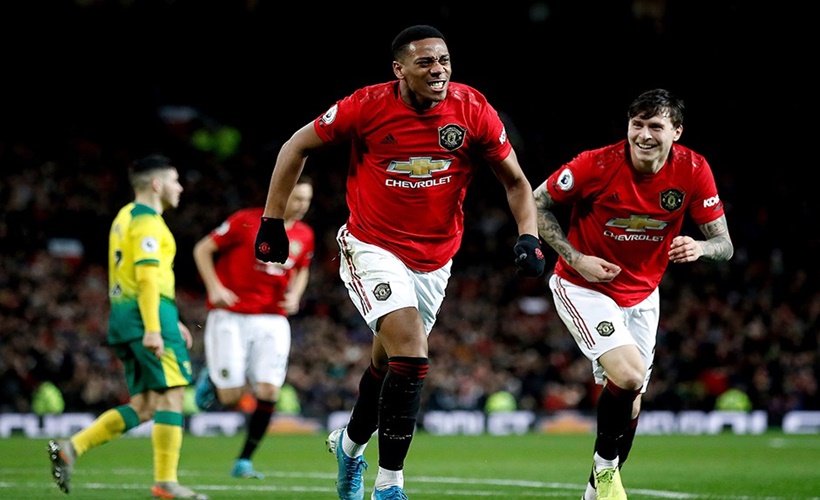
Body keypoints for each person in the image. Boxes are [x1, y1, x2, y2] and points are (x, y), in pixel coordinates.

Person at [253, 24, 545, 500]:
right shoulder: (366, 105)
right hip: (372, 245)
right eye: (425, 62)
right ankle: (389, 484)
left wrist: (528, 235)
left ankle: (349, 446)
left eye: (444, 60)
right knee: (411, 354)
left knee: (388, 364)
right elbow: (296, 146)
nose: (438, 70)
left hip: (436, 258)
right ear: (399, 69)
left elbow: (515, 181)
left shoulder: (473, 109)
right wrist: (272, 221)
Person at [532, 88, 734, 500]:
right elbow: (536, 202)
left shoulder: (693, 170)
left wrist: (700, 248)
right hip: (584, 286)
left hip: (643, 295)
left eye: (655, 126)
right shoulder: (595, 164)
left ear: (676, 131)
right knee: (628, 376)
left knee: (632, 401)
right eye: (637, 124)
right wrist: (576, 258)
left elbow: (724, 244)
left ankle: (594, 494)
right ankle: (607, 471)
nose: (643, 135)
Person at [47, 154, 208, 500]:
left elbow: (139, 277)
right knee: (173, 394)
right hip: (145, 316)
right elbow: (147, 277)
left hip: (125, 316)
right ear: (157, 184)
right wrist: (155, 326)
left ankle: (72, 448)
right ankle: (166, 482)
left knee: (146, 405)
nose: (180, 187)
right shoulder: (149, 223)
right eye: (175, 180)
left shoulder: (124, 217)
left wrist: (171, 317)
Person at [192, 176, 315, 479]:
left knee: (270, 389)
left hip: (273, 319)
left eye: (307, 200)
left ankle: (244, 460)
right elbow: (202, 249)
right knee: (231, 398)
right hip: (231, 314)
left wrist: (296, 294)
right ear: (282, 194)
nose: (303, 205)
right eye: (297, 198)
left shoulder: (304, 234)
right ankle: (214, 378)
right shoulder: (246, 221)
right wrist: (215, 288)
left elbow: (302, 268)